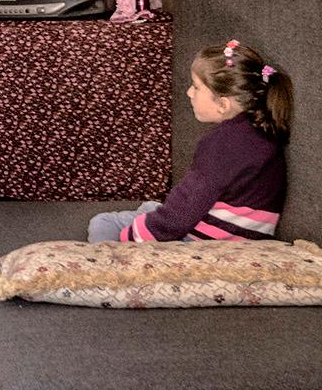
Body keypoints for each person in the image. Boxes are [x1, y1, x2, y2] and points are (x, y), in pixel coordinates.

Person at [89, 38, 291, 243]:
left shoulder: (221, 145)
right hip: (244, 236)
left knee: (104, 223)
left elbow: (183, 212)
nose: (189, 93)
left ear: (222, 104)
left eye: (196, 87)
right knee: (149, 207)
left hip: (207, 241)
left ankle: (113, 267)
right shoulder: (262, 130)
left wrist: (132, 239)